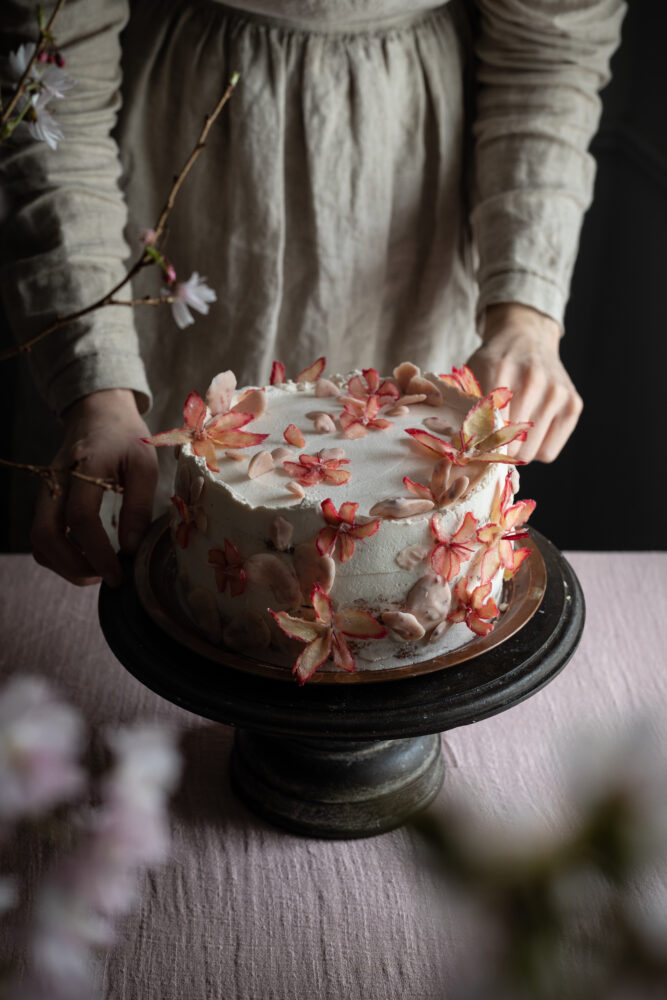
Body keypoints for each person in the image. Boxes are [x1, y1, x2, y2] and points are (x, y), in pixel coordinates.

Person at [0, 0, 625, 587]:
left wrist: (525, 313)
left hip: (413, 174)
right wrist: (97, 389)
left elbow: (551, 45)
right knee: (133, 541)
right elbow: (51, 74)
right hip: (163, 172)